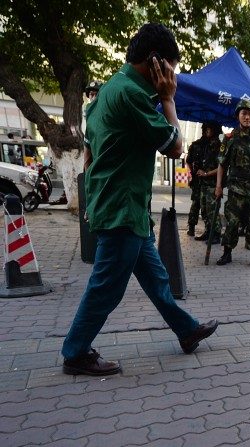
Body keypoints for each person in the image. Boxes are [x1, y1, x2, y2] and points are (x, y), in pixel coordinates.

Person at [61, 23, 218, 376]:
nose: (171, 79)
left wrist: (92, 201)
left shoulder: (104, 94)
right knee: (106, 287)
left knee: (155, 277)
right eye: (171, 71)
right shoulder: (132, 94)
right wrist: (168, 99)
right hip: (122, 210)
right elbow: (176, 147)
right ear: (156, 63)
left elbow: (90, 154)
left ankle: (186, 330)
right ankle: (75, 352)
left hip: (123, 208)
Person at [215, 98, 250, 269]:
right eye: (244, 114)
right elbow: (222, 164)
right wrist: (218, 187)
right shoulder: (230, 138)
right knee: (232, 222)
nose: (247, 117)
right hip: (236, 189)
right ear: (238, 116)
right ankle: (227, 253)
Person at [193, 121, 223, 243]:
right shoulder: (206, 145)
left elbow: (222, 167)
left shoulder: (219, 146)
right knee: (204, 210)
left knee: (212, 211)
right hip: (204, 184)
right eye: (206, 128)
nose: (206, 131)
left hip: (213, 184)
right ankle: (208, 231)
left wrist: (206, 174)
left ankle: (216, 234)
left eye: (209, 128)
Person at [185, 124, 207, 236]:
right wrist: (191, 173)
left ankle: (208, 230)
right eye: (206, 129)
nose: (208, 131)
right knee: (195, 204)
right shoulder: (195, 145)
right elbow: (188, 160)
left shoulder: (215, 145)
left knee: (206, 206)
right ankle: (192, 227)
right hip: (197, 180)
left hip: (209, 180)